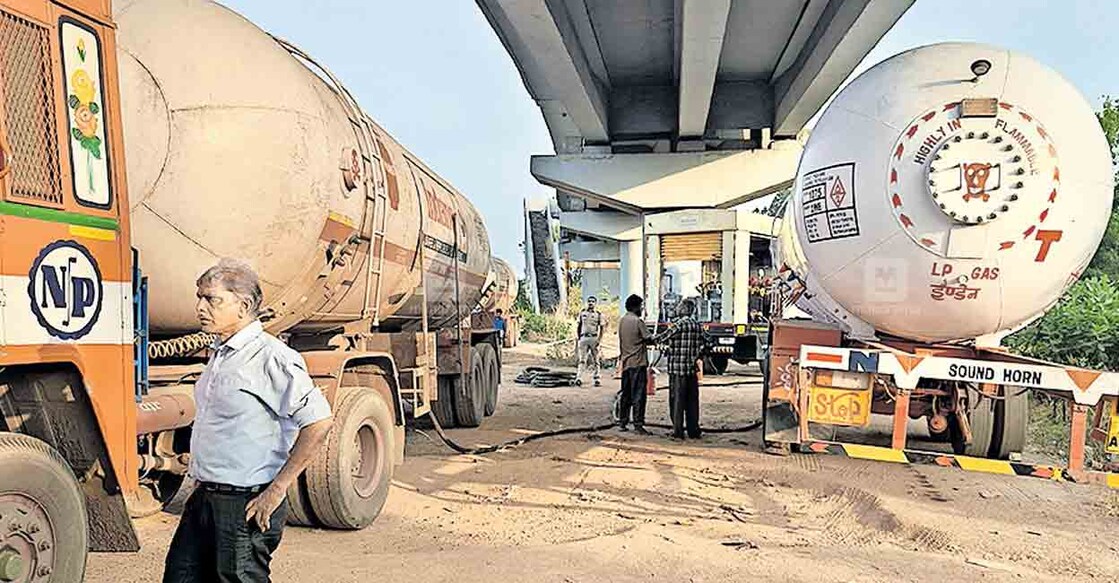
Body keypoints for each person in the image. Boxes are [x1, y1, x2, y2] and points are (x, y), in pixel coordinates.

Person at [164, 259, 333, 583]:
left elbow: (318, 421)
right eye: (199, 297)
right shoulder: (221, 354)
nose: (200, 307)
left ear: (242, 306)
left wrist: (277, 490)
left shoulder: (271, 357)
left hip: (246, 504)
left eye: (211, 299)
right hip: (203, 499)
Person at [653, 298, 709, 440]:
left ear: (683, 309)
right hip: (691, 370)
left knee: (677, 401)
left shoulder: (678, 325)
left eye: (679, 306)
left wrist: (649, 339)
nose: (677, 308)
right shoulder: (697, 326)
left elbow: (661, 338)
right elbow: (709, 341)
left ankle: (678, 431)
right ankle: (693, 431)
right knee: (692, 401)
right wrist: (699, 354)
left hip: (677, 370)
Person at [616, 294, 653, 434]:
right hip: (638, 363)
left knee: (626, 394)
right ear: (635, 306)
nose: (642, 309)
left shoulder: (622, 320)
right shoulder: (638, 321)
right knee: (638, 394)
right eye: (641, 306)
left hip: (626, 364)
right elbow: (649, 339)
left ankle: (622, 422)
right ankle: (638, 424)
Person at [575, 296, 604, 387]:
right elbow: (579, 326)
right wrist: (579, 337)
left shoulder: (598, 315)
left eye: (593, 301)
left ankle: (597, 378)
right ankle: (579, 377)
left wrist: (599, 339)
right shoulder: (582, 313)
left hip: (594, 338)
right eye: (589, 301)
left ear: (595, 303)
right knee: (582, 360)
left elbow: (602, 327)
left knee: (596, 360)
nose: (591, 303)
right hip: (584, 338)